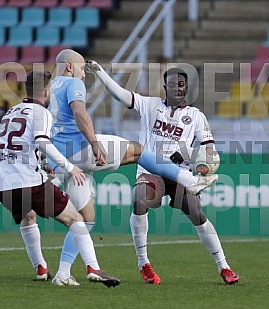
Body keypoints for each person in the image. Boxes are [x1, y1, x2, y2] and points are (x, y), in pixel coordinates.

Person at [44, 49, 217, 286]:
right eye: (82, 68)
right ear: (70, 67)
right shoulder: (73, 83)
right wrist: (94, 144)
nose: (84, 74)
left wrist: (49, 160)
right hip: (79, 149)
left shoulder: (49, 88)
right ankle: (190, 180)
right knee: (137, 150)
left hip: (62, 161)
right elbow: (80, 113)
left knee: (84, 219)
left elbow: (46, 128)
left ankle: (63, 273)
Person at [88, 62, 240, 285]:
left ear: (186, 88)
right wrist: (100, 72)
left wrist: (195, 162)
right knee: (139, 200)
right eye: (172, 84)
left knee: (197, 213)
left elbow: (209, 150)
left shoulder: (196, 116)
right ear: (164, 87)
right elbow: (120, 94)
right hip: (151, 171)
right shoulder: (149, 105)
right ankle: (144, 264)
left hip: (179, 174)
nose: (177, 88)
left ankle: (224, 266)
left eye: (181, 85)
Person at [0, 70, 121, 288]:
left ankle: (41, 267)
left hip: (3, 185)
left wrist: (41, 164)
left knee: (29, 217)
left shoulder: (10, 112)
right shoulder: (41, 113)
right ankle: (93, 267)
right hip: (29, 182)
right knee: (76, 219)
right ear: (46, 90)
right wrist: (70, 168)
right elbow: (42, 142)